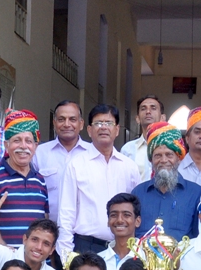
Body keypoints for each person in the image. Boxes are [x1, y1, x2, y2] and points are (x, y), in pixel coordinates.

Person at [57, 104, 140, 255]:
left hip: (123, 247)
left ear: (117, 130)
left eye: (109, 123)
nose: (103, 127)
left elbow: (136, 210)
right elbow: (66, 214)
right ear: (89, 130)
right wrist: (66, 256)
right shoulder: (76, 165)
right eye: (98, 123)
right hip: (87, 246)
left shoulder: (129, 167)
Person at [0, 110, 49, 246]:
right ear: (6, 145)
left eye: (29, 141)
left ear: (35, 146)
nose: (23, 146)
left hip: (35, 257)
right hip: (4, 257)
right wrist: (5, 251)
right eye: (17, 140)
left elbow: (45, 221)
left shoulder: (40, 180)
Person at [131, 122, 201, 240]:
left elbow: (198, 236)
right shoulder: (138, 193)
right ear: (151, 160)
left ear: (179, 158)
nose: (163, 160)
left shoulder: (195, 193)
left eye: (169, 155)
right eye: (158, 155)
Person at [33, 100, 93, 214]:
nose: (66, 124)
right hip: (48, 223)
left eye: (72, 119)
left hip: (83, 224)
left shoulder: (93, 153)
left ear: (81, 124)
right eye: (61, 119)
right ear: (54, 123)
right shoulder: (39, 153)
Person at [98, 193, 142, 270]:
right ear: (108, 221)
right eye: (114, 215)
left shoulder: (149, 259)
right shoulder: (97, 260)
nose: (119, 220)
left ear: (137, 221)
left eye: (126, 215)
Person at [120, 95, 166, 181]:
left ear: (162, 118)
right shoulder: (127, 149)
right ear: (137, 118)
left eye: (153, 108)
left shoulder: (172, 147)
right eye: (143, 109)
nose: (148, 111)